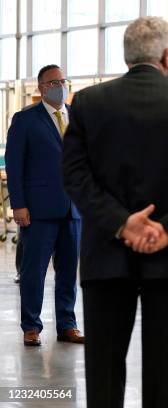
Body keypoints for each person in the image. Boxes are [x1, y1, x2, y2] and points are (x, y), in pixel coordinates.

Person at [62, 17, 168, 407]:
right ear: (167, 55)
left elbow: (74, 174)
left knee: (103, 371)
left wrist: (121, 223)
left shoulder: (88, 103)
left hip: (106, 258)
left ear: (126, 56)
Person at [5, 65, 83, 347]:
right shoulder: (26, 120)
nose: (60, 85)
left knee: (68, 272)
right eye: (53, 82)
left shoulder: (77, 117)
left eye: (63, 80)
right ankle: (31, 326)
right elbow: (15, 166)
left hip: (73, 210)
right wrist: (19, 205)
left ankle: (67, 324)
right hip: (38, 210)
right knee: (33, 271)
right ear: (41, 88)